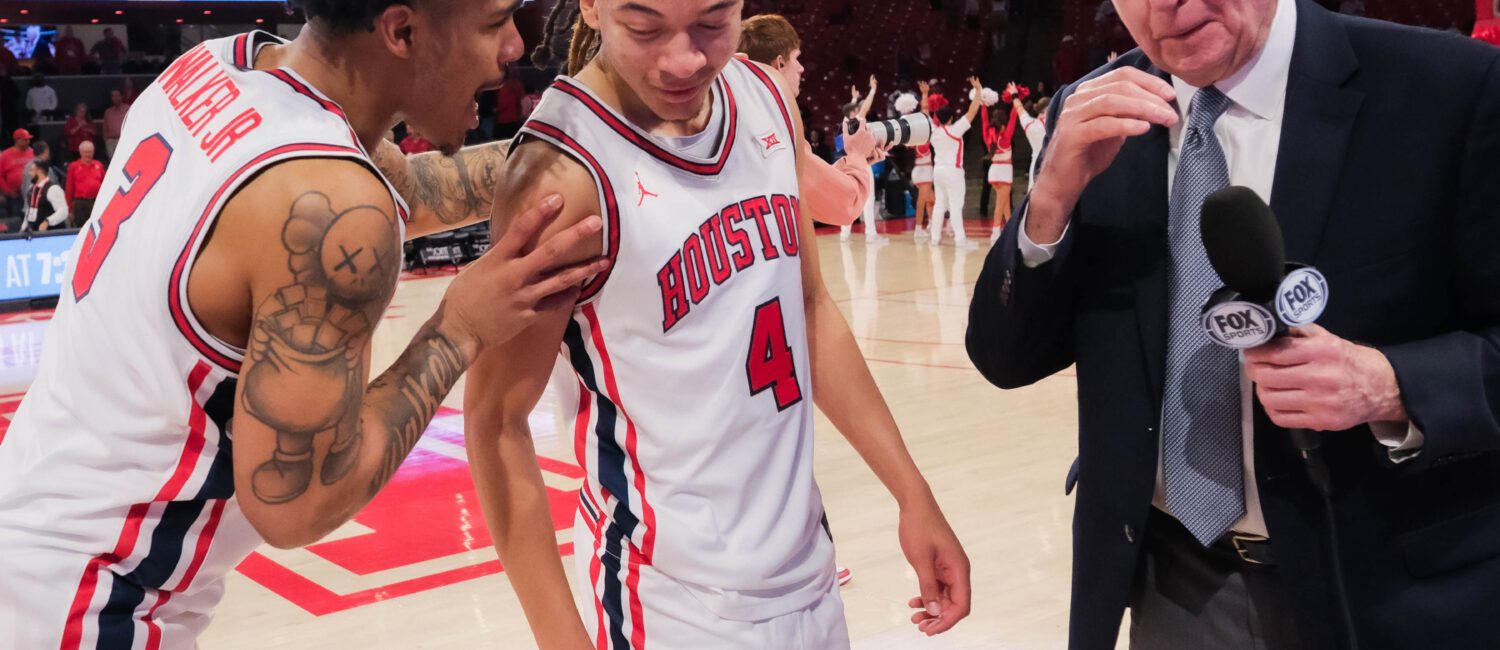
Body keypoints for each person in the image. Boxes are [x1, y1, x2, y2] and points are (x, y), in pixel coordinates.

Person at [0, 2, 611, 647]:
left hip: (32, 532)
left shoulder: (213, 69)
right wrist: (459, 326)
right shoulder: (326, 195)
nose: (514, 45)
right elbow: (297, 505)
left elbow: (417, 187)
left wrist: (582, 151)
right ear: (402, 31)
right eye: (495, 22)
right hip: (90, 602)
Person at [967, 0, 1500, 647]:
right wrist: (1049, 198)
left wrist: (1390, 385)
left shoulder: (1451, 87)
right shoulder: (1096, 114)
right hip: (1176, 583)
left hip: (1388, 583)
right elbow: (1007, 358)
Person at [468, 1, 971, 647]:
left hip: (808, 575)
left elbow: (809, 309)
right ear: (592, 7)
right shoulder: (562, 170)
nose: (684, 59)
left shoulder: (763, 95)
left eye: (712, 21)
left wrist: (912, 492)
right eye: (645, 27)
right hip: (667, 601)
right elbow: (495, 421)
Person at [738, 13, 881, 230]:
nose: (801, 68)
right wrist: (857, 156)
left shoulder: (737, 113)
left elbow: (808, 184)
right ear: (779, 64)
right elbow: (844, 204)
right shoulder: (773, 129)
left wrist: (853, 161)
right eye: (796, 58)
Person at [928, 76, 983, 247]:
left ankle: (935, 239)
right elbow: (972, 112)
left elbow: (925, 112)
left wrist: (926, 96)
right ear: (951, 118)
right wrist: (978, 90)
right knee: (955, 205)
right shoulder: (955, 130)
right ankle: (960, 239)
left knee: (939, 205)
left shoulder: (934, 132)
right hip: (953, 171)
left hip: (937, 171)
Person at [837, 75, 887, 243]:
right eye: (856, 109)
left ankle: (844, 234)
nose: (860, 110)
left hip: (848, 164)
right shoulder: (857, 122)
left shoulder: (845, 123)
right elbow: (864, 109)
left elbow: (849, 110)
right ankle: (871, 236)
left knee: (849, 198)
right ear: (853, 113)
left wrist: (854, 98)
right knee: (868, 199)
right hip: (862, 163)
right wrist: (873, 89)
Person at [983, 105, 1014, 242]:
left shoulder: (988, 137)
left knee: (1005, 203)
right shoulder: (1006, 137)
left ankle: (1010, 229)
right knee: (1000, 204)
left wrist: (983, 106)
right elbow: (1014, 117)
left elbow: (984, 121)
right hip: (1004, 173)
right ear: (1003, 124)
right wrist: (1015, 100)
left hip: (994, 172)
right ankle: (995, 233)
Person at [911, 82, 936, 243]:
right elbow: (925, 113)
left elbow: (925, 114)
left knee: (930, 199)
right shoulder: (923, 138)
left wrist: (925, 94)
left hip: (921, 170)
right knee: (922, 201)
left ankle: (932, 224)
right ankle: (918, 228)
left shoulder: (916, 136)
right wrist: (925, 95)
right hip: (924, 171)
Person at [21, 155, 67, 232]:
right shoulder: (31, 189)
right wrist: (23, 227)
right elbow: (30, 210)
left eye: (32, 170)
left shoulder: (53, 189)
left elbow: (63, 210)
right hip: (34, 233)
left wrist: (48, 221)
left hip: (51, 233)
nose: (29, 173)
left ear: (40, 171)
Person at [65, 140, 104, 226]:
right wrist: (70, 209)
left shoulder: (99, 165)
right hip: (80, 204)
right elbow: (69, 188)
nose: (88, 154)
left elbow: (104, 185)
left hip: (96, 202)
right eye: (86, 152)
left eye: (90, 152)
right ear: (80, 152)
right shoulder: (73, 166)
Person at [0, 128, 31, 220]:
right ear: (17, 140)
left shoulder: (31, 152)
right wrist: (7, 191)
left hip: (30, 194)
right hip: (14, 196)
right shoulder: (6, 155)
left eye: (29, 139)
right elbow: (0, 176)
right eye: (25, 139)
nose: (28, 141)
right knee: (17, 218)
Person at [102, 89, 130, 159]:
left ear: (121, 96)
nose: (115, 98)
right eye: (113, 96)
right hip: (111, 141)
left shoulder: (127, 109)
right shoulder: (108, 112)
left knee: (125, 160)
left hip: (124, 140)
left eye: (117, 95)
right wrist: (106, 141)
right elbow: (105, 128)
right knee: (112, 161)